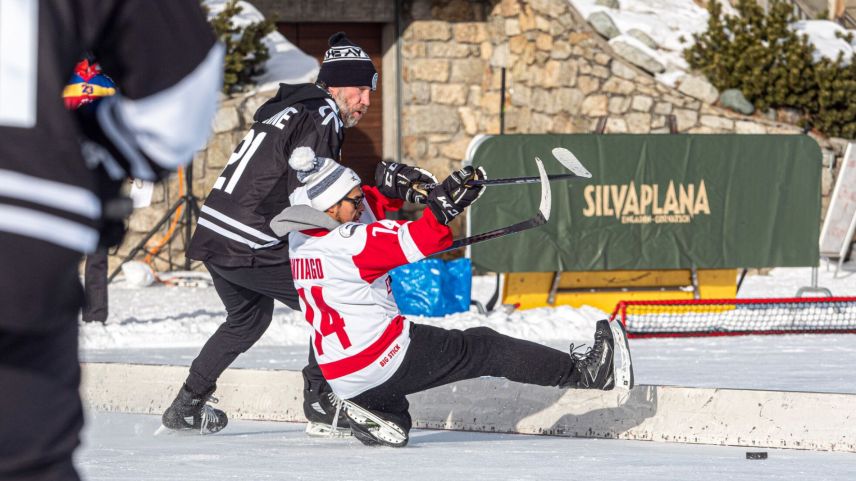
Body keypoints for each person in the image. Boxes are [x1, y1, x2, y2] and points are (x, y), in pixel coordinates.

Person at [161, 32, 438, 436]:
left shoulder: (293, 108)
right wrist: (383, 203)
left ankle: (187, 403)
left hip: (217, 234)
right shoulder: (322, 114)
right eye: (361, 89)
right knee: (327, 286)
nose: (366, 101)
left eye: (370, 91)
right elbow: (317, 196)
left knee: (247, 319)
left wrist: (375, 195)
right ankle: (320, 398)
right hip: (249, 237)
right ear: (336, 84)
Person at [0, 2, 223, 480]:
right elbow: (183, 89)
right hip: (22, 222)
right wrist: (91, 156)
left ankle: (97, 311)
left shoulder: (90, 74)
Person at [271, 156, 634, 447]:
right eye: (355, 200)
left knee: (392, 402)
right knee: (483, 347)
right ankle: (589, 373)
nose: (361, 202)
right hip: (381, 357)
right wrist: (443, 206)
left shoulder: (301, 238)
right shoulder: (353, 242)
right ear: (332, 207)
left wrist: (395, 190)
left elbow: (345, 205)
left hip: (340, 373)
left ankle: (379, 413)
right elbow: (423, 237)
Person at [63, 56, 118, 324]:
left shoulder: (63, 78)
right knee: (94, 250)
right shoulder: (107, 83)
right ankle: (94, 313)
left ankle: (85, 312)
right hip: (94, 175)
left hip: (69, 172)